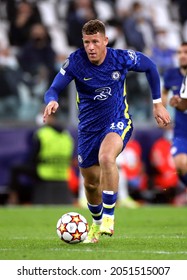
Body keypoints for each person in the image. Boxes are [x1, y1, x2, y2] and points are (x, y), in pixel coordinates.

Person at [43, 19, 171, 243]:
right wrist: (52, 100)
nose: (90, 47)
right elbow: (53, 88)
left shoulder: (120, 58)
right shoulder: (75, 61)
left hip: (117, 120)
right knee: (91, 184)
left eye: (94, 41)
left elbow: (150, 65)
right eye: (86, 42)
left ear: (105, 41)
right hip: (88, 129)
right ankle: (96, 223)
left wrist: (157, 102)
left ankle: (109, 220)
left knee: (106, 157)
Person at [8, 113, 74, 205]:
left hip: (44, 172)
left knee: (16, 168)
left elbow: (32, 157)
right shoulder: (66, 135)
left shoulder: (42, 133)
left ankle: (13, 200)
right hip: (62, 173)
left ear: (51, 117)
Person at [162, 42, 187, 189]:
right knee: (180, 164)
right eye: (179, 52)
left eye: (185, 52)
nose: (182, 56)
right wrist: (162, 108)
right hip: (182, 130)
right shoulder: (171, 74)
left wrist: (178, 103)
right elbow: (164, 91)